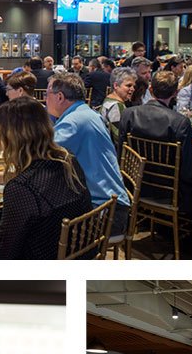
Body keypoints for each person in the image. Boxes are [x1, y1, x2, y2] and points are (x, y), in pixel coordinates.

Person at [0, 97, 93, 259]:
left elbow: (3, 254)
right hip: (79, 253)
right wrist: (6, 177)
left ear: (12, 137)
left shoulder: (22, 189)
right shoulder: (67, 160)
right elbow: (45, 188)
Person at [47, 72, 130, 235]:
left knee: (39, 224)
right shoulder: (85, 112)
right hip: (114, 204)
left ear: (60, 97)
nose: (45, 99)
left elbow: (39, 153)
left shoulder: (74, 122)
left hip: (105, 214)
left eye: (47, 94)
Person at [119, 70, 192, 213]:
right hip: (169, 190)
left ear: (150, 89)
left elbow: (122, 154)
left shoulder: (129, 114)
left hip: (134, 183)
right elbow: (187, 170)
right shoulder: (180, 122)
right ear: (175, 93)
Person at [98, 66, 136, 137]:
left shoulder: (108, 99)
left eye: (133, 86)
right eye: (129, 85)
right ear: (116, 85)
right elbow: (118, 136)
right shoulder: (116, 106)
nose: (133, 89)